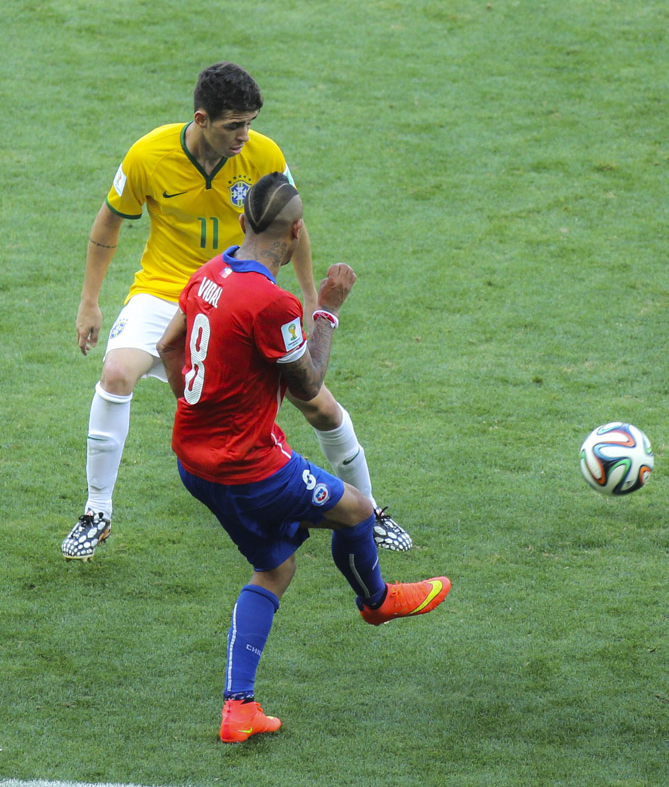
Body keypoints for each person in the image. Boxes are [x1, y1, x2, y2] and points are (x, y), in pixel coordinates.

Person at [64, 62, 411, 559]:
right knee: (116, 373)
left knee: (318, 405)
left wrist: (311, 296)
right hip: (165, 291)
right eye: (234, 125)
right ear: (201, 119)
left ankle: (370, 510)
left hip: (236, 294)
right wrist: (89, 302)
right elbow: (108, 225)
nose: (245, 136)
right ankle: (97, 511)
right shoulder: (148, 155)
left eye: (249, 122)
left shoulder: (264, 154)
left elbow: (295, 223)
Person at [156, 173, 450, 742]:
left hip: (194, 462)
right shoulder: (273, 302)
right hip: (252, 469)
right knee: (358, 511)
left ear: (243, 222)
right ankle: (378, 600)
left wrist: (200, 406)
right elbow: (309, 384)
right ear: (295, 233)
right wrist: (328, 310)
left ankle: (238, 709)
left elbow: (170, 344)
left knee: (276, 568)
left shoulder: (207, 275)